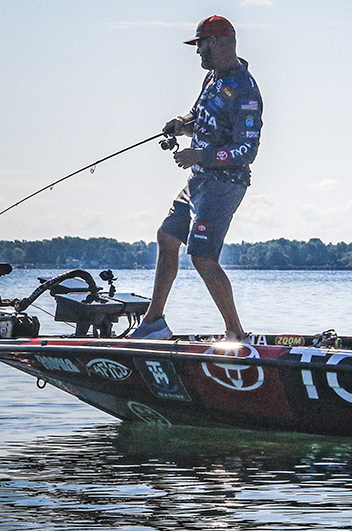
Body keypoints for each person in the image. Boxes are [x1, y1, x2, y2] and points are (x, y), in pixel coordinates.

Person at [131, 15, 263, 342]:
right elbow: (198, 115)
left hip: (224, 187)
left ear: (216, 43)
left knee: (202, 256)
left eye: (200, 44)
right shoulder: (212, 80)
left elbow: (246, 150)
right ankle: (153, 322)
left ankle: (236, 333)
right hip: (197, 182)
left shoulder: (244, 90)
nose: (198, 52)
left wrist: (200, 156)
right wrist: (181, 123)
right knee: (166, 237)